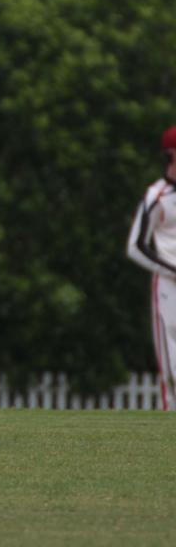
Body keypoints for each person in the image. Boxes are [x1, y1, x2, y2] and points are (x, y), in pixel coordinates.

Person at [126, 126, 176, 411]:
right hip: (168, 286)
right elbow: (136, 246)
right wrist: (171, 270)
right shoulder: (157, 196)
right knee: (172, 370)